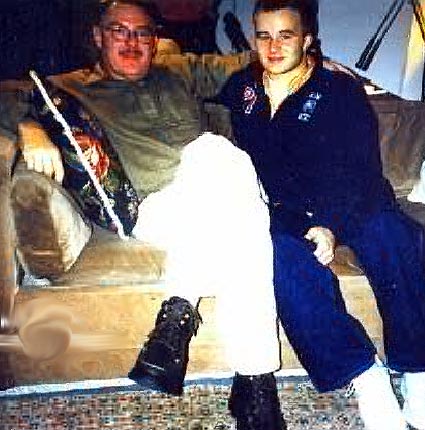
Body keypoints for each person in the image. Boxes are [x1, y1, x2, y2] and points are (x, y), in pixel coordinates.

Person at [6, 1, 286, 428]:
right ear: (98, 36)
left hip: (222, 201)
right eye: (119, 30)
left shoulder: (177, 72)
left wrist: (313, 64)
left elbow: (247, 60)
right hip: (157, 208)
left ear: (155, 40)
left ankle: (189, 331)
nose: (132, 41)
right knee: (220, 156)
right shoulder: (71, 86)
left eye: (142, 32)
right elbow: (10, 98)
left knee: (225, 176)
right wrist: (30, 128)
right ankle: (254, 383)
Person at [218, 1, 425, 429]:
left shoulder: (339, 90)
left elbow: (360, 169)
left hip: (353, 200)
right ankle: (366, 375)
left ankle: (421, 378)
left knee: (398, 237)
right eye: (264, 35)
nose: (274, 46)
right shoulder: (241, 86)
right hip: (284, 211)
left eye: (286, 35)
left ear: (307, 41)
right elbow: (181, 73)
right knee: (277, 259)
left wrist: (330, 225)